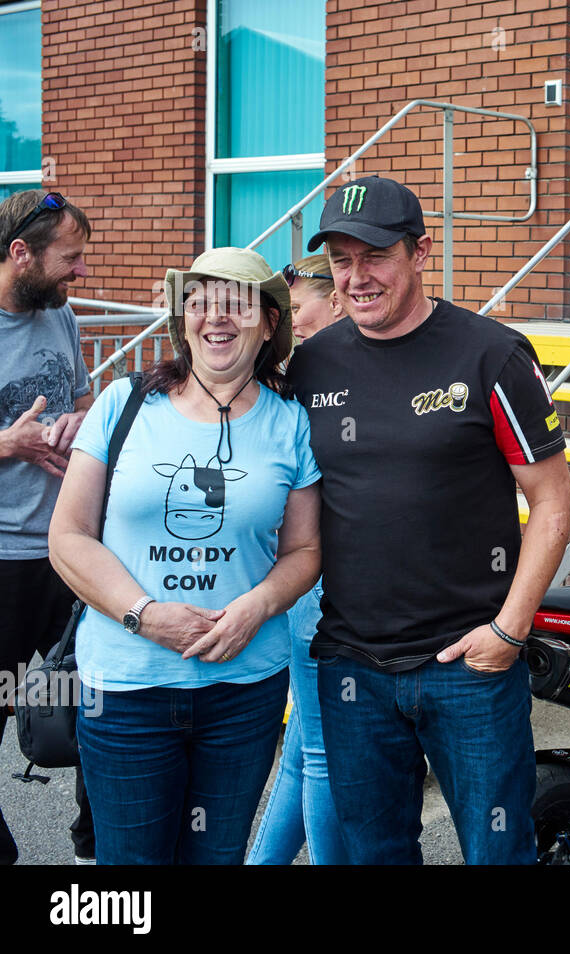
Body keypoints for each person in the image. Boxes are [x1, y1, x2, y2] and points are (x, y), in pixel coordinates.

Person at [286, 175, 570, 865]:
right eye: (341, 261)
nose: (357, 277)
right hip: (352, 665)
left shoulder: (491, 354)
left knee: (499, 853)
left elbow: (555, 502)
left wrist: (509, 631)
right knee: (373, 855)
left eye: (374, 255)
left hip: (468, 666)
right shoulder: (314, 361)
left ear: (421, 251)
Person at [47, 247, 321, 865]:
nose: (217, 317)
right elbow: (67, 537)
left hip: (243, 692)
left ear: (269, 322)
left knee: (215, 858)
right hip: (126, 689)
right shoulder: (123, 405)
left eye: (237, 303)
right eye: (201, 302)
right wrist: (145, 613)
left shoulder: (290, 423)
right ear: (184, 317)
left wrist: (257, 607)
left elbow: (304, 550)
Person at [0, 189, 96, 864]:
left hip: (69, 547)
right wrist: (10, 443)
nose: (80, 273)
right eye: (70, 258)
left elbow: (84, 397)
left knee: (103, 701)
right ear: (20, 253)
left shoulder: (58, 314)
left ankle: (104, 843)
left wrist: (79, 423)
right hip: (3, 561)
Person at [247, 254, 346, 865]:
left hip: (310, 585)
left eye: (299, 305)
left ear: (335, 300)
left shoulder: (314, 375)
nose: (291, 320)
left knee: (305, 753)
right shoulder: (307, 378)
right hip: (316, 586)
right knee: (324, 757)